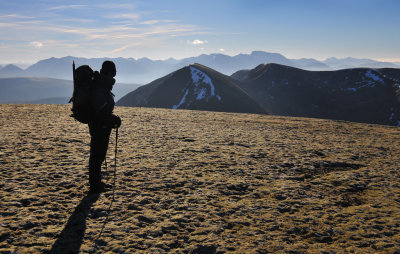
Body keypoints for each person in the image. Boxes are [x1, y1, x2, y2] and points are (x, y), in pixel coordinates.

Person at [88, 60, 121, 193]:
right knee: (97, 155)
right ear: (109, 72)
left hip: (100, 125)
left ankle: (97, 183)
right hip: (99, 126)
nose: (114, 76)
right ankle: (95, 186)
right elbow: (100, 110)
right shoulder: (100, 86)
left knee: (98, 155)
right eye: (113, 73)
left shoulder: (101, 84)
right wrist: (112, 119)